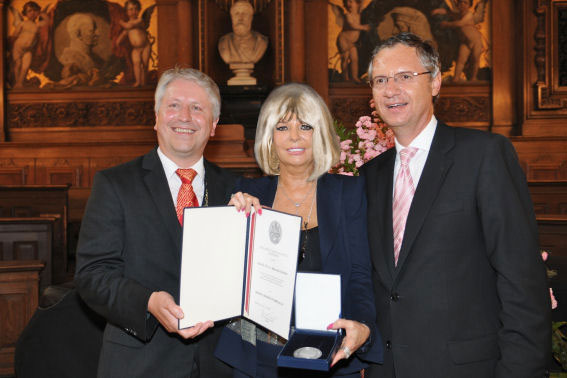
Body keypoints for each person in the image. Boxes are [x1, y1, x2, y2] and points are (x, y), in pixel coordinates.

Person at [361, 32, 550, 378]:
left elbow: (522, 281)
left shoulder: (483, 156)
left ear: (434, 83)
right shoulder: (369, 176)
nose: (391, 89)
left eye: (405, 77)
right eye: (381, 80)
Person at [74, 67, 239, 377]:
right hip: (140, 363)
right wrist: (148, 302)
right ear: (156, 116)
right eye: (174, 105)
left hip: (219, 365)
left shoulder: (236, 190)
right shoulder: (115, 184)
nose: (185, 117)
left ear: (214, 125)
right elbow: (92, 275)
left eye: (197, 108)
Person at [215, 83, 383, 377]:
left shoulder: (349, 192)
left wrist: (363, 326)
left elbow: (360, 275)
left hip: (332, 356)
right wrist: (233, 224)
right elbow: (227, 280)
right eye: (282, 127)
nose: (294, 136)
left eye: (305, 126)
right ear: (269, 137)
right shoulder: (247, 194)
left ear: (319, 133)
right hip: (258, 359)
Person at [329, 0, 370, 83]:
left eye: (351, 2)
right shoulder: (347, 15)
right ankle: (345, 78)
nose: (348, 4)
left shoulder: (358, 14)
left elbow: (362, 5)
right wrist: (363, 27)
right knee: (345, 58)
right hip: (344, 40)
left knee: (354, 59)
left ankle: (354, 77)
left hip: (352, 43)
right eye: (347, 2)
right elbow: (352, 25)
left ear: (357, 3)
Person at [218, 0, 268, 65]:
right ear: (232, 17)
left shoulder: (261, 42)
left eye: (244, 14)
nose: (240, 18)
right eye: (237, 14)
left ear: (251, 18)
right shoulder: (224, 42)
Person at [117, 0, 153, 87]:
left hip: (145, 46)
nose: (133, 11)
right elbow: (124, 34)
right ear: (126, 11)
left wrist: (120, 22)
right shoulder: (128, 26)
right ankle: (138, 82)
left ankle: (144, 83)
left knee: (144, 65)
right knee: (136, 64)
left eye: (136, 9)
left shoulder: (139, 21)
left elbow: (128, 26)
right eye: (131, 9)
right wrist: (118, 42)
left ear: (139, 10)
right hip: (136, 49)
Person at [10, 1, 42, 88]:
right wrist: (10, 47)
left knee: (26, 65)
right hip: (18, 47)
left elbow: (38, 40)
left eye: (34, 11)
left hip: (29, 49)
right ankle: (16, 82)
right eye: (29, 11)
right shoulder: (23, 23)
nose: (32, 13)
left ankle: (20, 82)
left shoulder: (38, 26)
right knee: (18, 64)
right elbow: (14, 35)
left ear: (38, 12)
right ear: (25, 13)